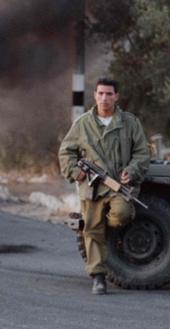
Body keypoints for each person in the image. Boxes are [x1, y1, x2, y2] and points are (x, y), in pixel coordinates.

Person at [59, 78, 149, 295]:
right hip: (93, 189)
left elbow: (142, 152)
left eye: (109, 94)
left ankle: (105, 232)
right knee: (91, 229)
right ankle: (98, 277)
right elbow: (66, 152)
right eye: (100, 93)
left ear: (116, 96)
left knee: (122, 214)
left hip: (118, 185)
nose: (104, 98)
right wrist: (76, 171)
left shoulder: (129, 122)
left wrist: (132, 170)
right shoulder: (83, 124)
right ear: (95, 95)